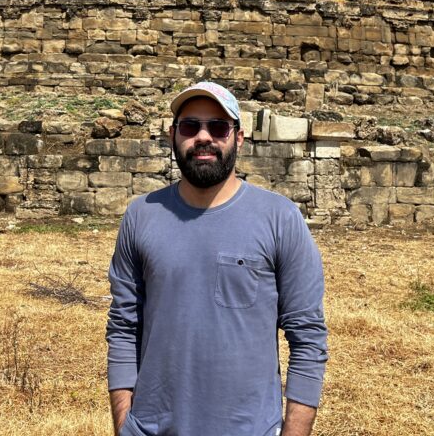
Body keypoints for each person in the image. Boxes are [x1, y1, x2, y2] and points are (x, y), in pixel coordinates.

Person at [106, 81, 328, 436]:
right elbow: (123, 327)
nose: (203, 137)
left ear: (238, 138)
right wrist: (124, 424)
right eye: (190, 126)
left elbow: (308, 338)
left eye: (218, 127)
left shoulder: (280, 219)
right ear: (172, 135)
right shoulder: (140, 216)